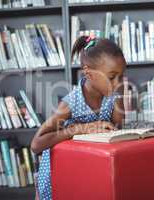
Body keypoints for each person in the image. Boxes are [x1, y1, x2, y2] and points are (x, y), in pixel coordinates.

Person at [30, 35, 126, 200]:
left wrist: (119, 98)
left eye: (121, 76)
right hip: (61, 173)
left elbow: (118, 131)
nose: (118, 82)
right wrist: (79, 129)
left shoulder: (112, 95)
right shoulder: (71, 102)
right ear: (88, 73)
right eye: (112, 77)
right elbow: (36, 144)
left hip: (90, 169)